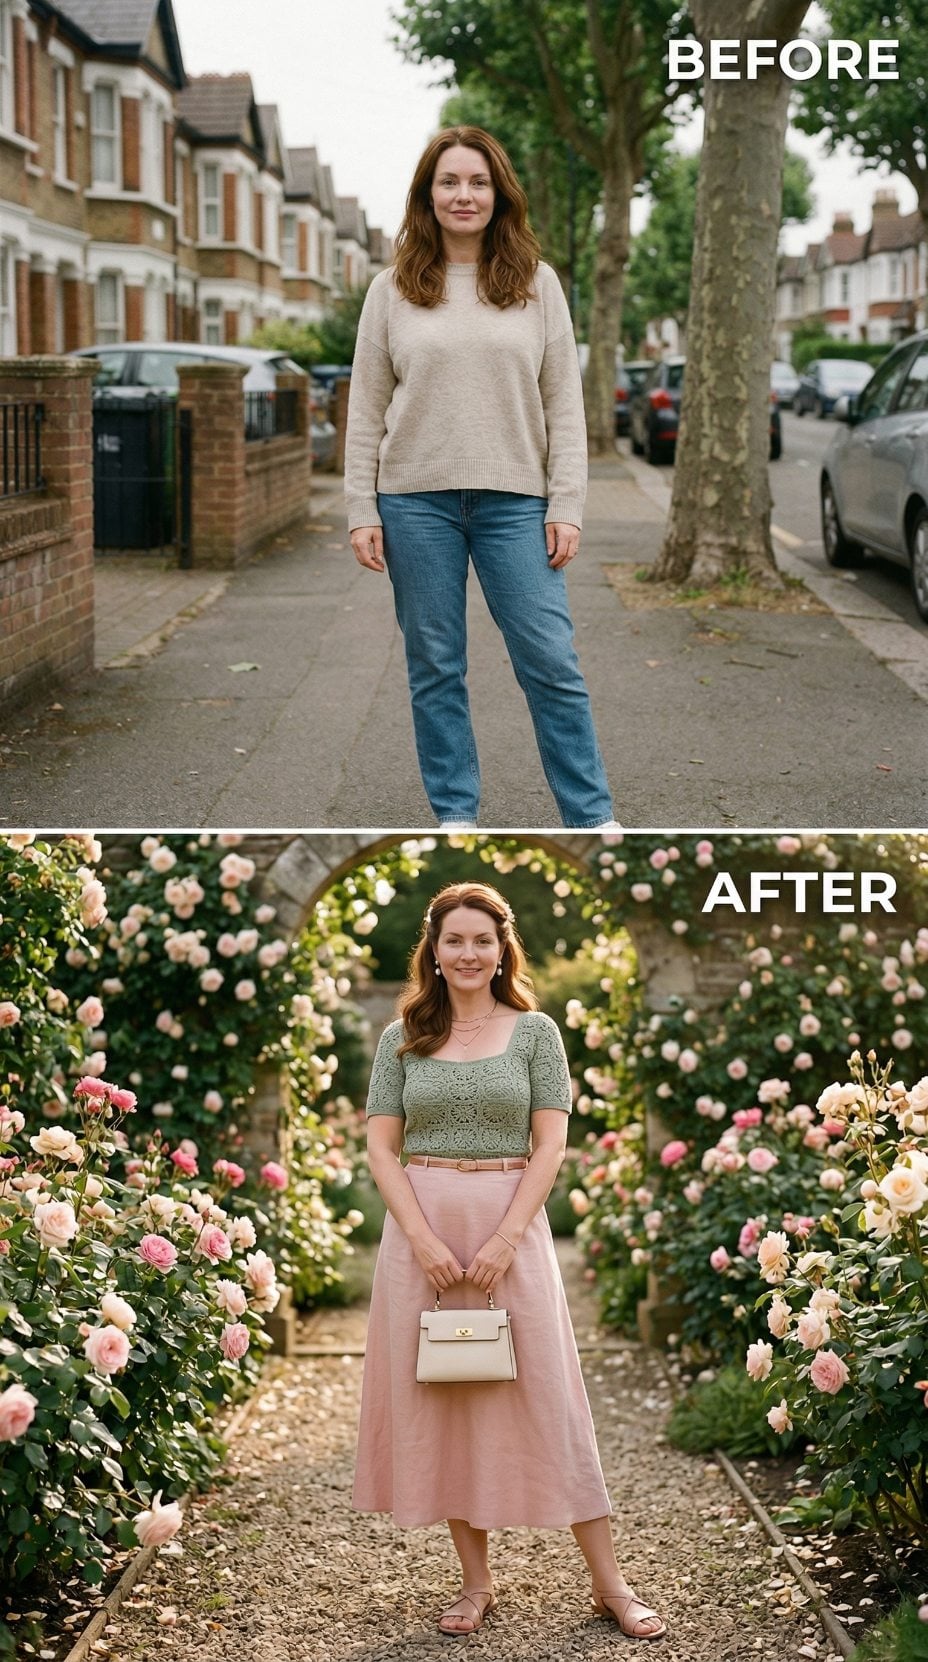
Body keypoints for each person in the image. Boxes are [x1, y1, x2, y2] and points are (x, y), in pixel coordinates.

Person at [352, 881, 666, 1641]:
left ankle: (610, 1584)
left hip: (510, 1228)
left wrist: (504, 1238)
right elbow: (379, 1144)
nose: (467, 953)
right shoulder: (402, 1037)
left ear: (502, 949)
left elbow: (551, 1143)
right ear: (433, 948)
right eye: (453, 940)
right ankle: (475, 1583)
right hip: (420, 1236)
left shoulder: (536, 1033)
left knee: (550, 1400)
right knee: (449, 1400)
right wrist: (423, 1238)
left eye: (481, 940)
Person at [345, 126, 618, 833]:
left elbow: (565, 402)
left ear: (499, 195)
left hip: (516, 504)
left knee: (550, 661)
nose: (463, 195)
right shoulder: (391, 290)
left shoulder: (537, 284)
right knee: (436, 667)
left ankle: (590, 817)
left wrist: (569, 503)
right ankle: (456, 815)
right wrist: (360, 509)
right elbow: (366, 406)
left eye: (477, 182)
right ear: (426, 196)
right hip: (413, 502)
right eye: (448, 182)